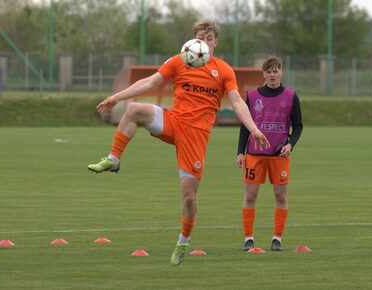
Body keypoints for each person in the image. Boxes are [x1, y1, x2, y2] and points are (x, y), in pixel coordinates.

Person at [87, 19, 270, 266]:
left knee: (189, 197)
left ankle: (183, 242)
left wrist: (254, 129)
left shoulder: (223, 70)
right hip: (173, 121)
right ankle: (113, 159)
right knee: (132, 110)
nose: (204, 43)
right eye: (199, 38)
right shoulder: (179, 60)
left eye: (209, 38)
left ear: (215, 42)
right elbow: (150, 83)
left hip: (196, 136)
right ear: (191, 40)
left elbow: (237, 102)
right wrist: (115, 98)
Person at [237, 56, 303, 252]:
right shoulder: (252, 95)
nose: (272, 75)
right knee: (250, 196)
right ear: (263, 74)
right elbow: (244, 126)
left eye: (276, 71)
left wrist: (291, 144)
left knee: (280, 196)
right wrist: (240, 152)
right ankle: (248, 238)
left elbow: (298, 126)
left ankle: (277, 239)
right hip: (255, 155)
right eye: (269, 71)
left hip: (279, 155)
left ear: (281, 72)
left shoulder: (291, 96)